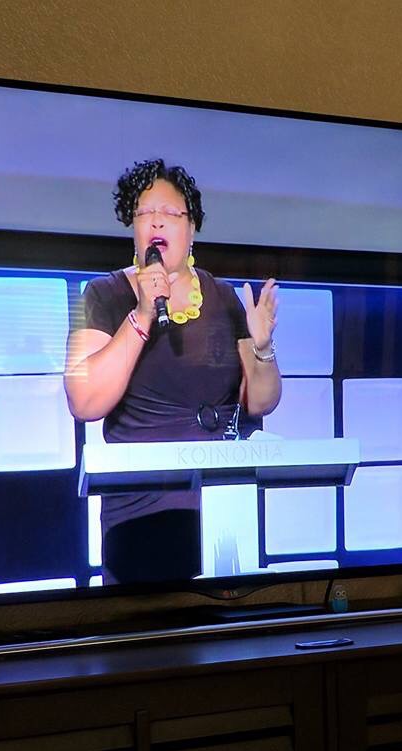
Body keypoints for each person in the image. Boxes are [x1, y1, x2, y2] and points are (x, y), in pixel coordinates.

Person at [65, 158, 281, 584]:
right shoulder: (105, 294)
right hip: (139, 516)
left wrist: (262, 347)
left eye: (169, 213)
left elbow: (261, 401)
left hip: (222, 507)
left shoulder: (224, 298)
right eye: (145, 213)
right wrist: (143, 314)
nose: (156, 221)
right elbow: (85, 401)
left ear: (191, 228)